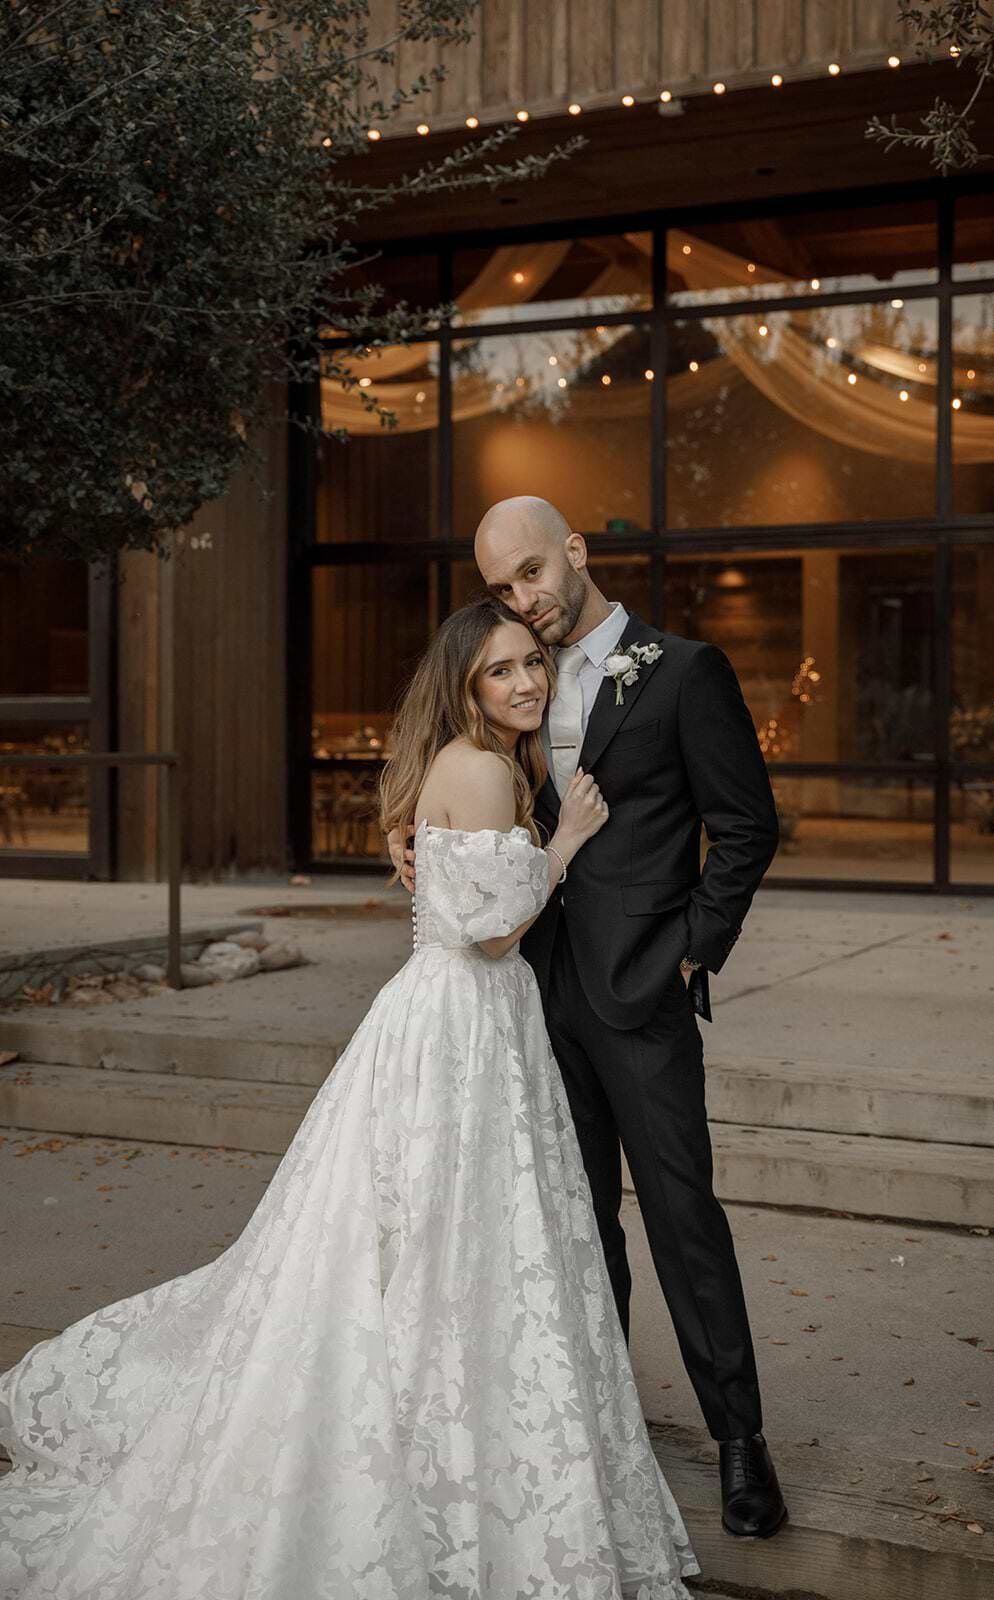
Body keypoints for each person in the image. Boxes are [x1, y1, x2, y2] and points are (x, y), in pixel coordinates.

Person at [0, 597, 699, 1600]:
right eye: (500, 670)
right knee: (452, 1236)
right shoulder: (487, 766)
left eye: (532, 666)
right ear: (465, 683)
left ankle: (439, 1429)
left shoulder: (471, 762)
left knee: (420, 1237)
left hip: (453, 1020)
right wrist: (570, 838)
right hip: (464, 1021)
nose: (525, 684)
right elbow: (493, 933)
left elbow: (455, 900)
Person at [393, 497, 787, 1541]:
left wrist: (691, 945)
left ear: (574, 552)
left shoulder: (683, 670)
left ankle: (739, 1439)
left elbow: (746, 824)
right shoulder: (513, 681)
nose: (521, 601)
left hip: (637, 991)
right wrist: (419, 847)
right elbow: (460, 789)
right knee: (569, 1223)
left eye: (530, 573)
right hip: (527, 991)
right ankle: (593, 1427)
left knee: (678, 1216)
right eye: (502, 590)